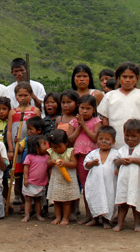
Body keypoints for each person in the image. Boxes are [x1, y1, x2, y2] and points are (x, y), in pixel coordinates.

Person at [98, 62, 140, 154]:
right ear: (118, 78)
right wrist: (107, 140)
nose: (127, 80)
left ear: (137, 78)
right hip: (116, 142)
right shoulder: (110, 96)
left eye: (131, 77)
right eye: (124, 77)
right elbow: (105, 120)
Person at [113, 119, 140, 232]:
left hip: (137, 183)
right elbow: (116, 162)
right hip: (124, 183)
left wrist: (133, 160)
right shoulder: (122, 150)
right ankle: (120, 223)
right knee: (123, 204)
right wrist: (121, 161)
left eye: (133, 136)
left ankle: (137, 223)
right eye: (127, 136)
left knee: (136, 204)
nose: (130, 139)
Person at [67, 94, 102, 225]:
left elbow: (95, 138)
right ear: (78, 108)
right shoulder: (73, 122)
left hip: (94, 158)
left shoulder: (96, 121)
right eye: (82, 108)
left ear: (94, 109)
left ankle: (97, 214)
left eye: (88, 108)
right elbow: (70, 140)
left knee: (95, 186)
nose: (84, 111)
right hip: (80, 159)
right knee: (86, 187)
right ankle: (89, 215)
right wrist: (79, 127)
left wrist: (85, 126)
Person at [6, 83, 41, 209]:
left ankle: (34, 200)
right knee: (18, 173)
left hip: (32, 149)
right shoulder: (12, 112)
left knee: (32, 172)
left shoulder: (35, 111)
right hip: (17, 149)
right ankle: (21, 199)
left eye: (26, 95)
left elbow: (39, 129)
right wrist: (11, 148)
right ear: (15, 96)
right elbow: (9, 131)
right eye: (20, 95)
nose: (23, 98)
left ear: (31, 95)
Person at [83, 126, 119, 228]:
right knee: (95, 198)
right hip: (95, 183)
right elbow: (86, 165)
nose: (104, 141)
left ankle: (106, 220)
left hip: (109, 184)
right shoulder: (93, 153)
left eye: (107, 139)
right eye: (101, 139)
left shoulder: (116, 154)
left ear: (113, 141)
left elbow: (120, 165)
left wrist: (118, 169)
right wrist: (92, 163)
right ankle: (95, 219)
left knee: (109, 199)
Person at [45, 130, 79, 225]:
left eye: (59, 147)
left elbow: (74, 163)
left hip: (67, 179)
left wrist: (65, 163)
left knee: (66, 201)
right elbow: (47, 162)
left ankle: (65, 218)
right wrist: (50, 162)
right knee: (56, 200)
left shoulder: (70, 152)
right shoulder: (51, 152)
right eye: (54, 147)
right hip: (56, 179)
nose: (57, 149)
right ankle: (58, 217)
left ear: (66, 143)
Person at [21, 135, 47, 222]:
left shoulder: (46, 157)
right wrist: (25, 179)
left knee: (38, 200)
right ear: (37, 147)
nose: (46, 146)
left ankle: (38, 214)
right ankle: (27, 215)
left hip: (41, 183)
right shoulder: (29, 157)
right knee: (28, 200)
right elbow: (26, 168)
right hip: (30, 182)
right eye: (44, 144)